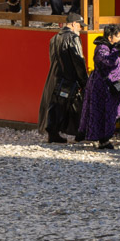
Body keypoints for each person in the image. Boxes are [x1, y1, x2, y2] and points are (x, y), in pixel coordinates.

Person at [37, 12, 89, 143]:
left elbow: (52, 58)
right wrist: (84, 80)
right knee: (76, 105)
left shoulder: (54, 38)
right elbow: (78, 61)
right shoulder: (73, 38)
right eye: (80, 25)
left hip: (55, 76)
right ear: (73, 24)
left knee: (56, 105)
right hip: (69, 77)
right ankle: (81, 133)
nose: (81, 28)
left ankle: (53, 132)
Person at [78, 25, 120, 150]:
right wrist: (117, 51)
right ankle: (103, 139)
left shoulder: (111, 47)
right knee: (101, 111)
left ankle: (105, 137)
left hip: (111, 85)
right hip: (102, 86)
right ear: (110, 37)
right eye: (118, 36)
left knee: (113, 110)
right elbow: (107, 62)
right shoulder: (102, 48)